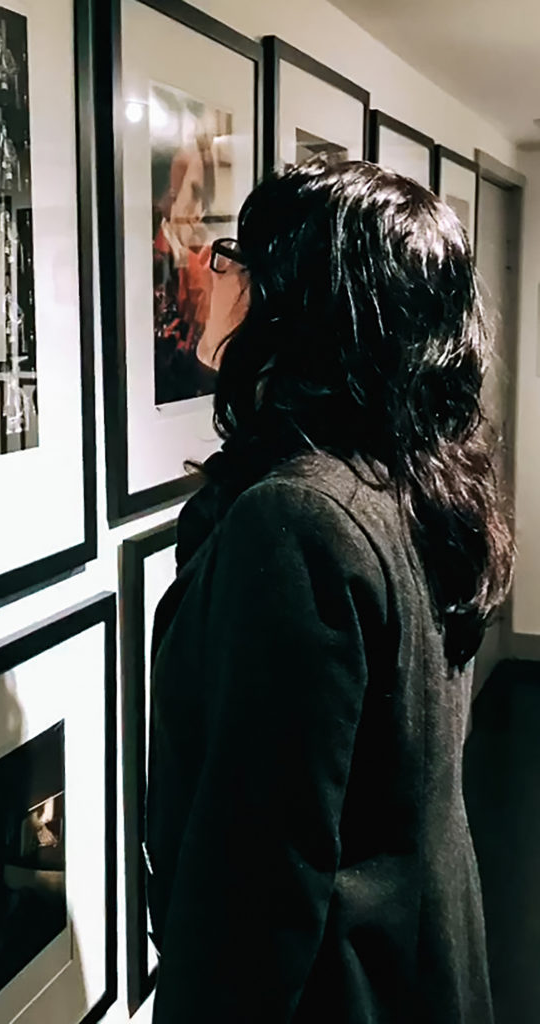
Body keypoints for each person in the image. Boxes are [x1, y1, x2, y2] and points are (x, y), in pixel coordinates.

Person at [145, 159, 514, 1024]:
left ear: (297, 299)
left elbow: (261, 875)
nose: (212, 269)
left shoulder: (299, 518)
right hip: (411, 962)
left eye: (234, 254)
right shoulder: (411, 480)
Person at [152, 130, 217, 404]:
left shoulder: (200, 264)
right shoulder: (150, 259)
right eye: (194, 192)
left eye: (205, 197)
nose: (200, 210)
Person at [0, 26, 17, 94]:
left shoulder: (8, 53)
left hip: (7, 78)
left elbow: (14, 67)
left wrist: (7, 71)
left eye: (0, 41)